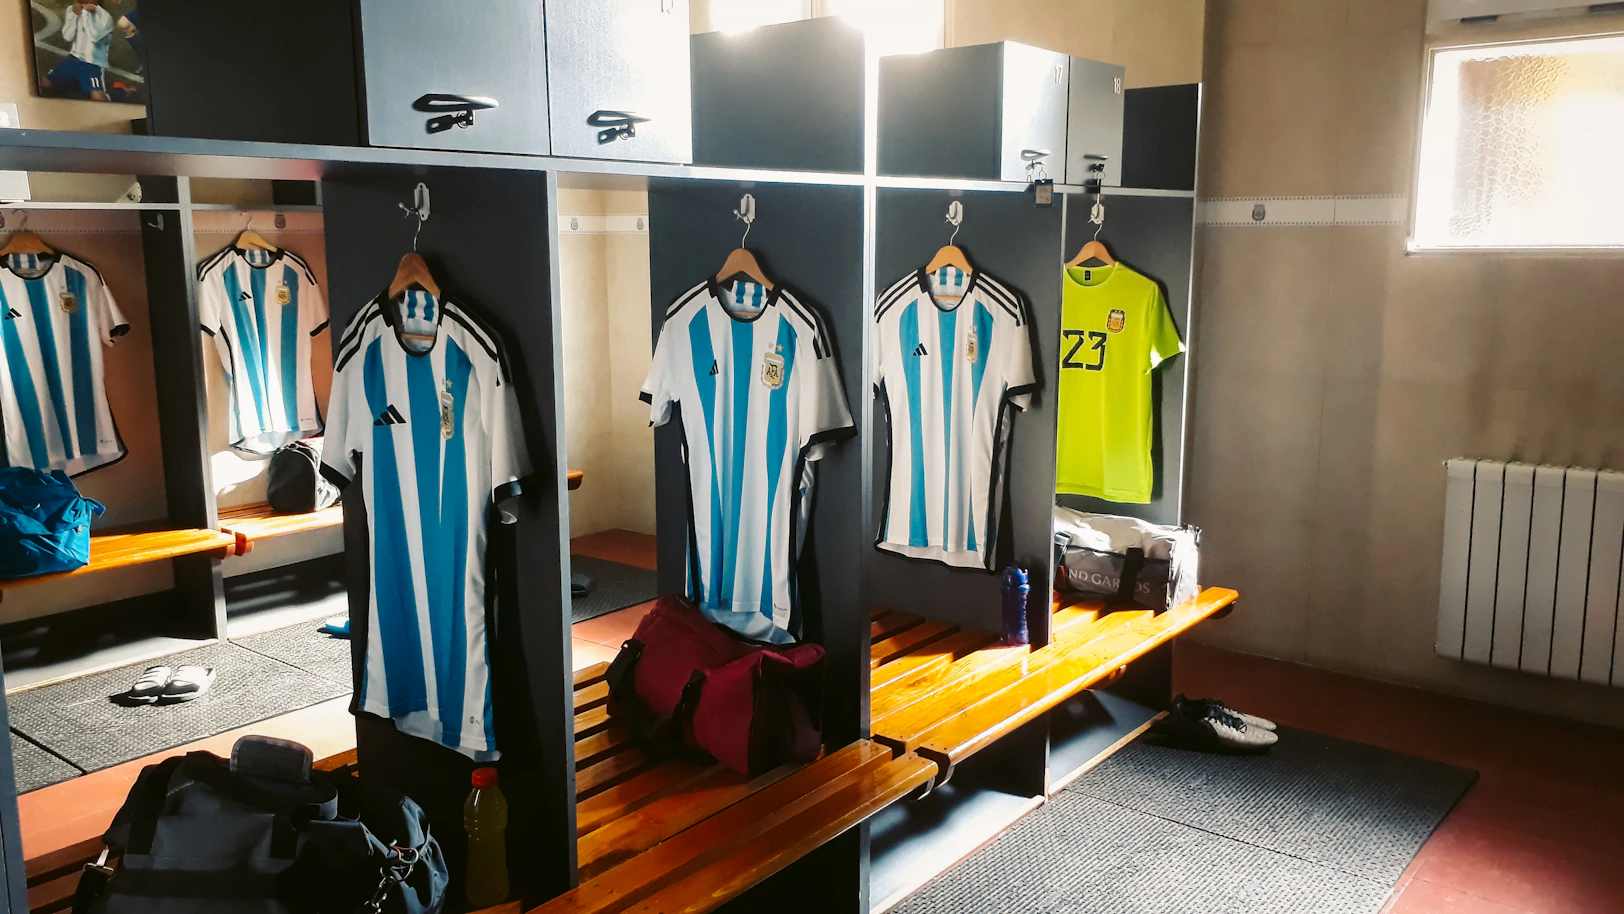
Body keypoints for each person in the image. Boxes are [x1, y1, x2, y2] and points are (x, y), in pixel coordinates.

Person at [39, 0, 115, 101]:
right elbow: (67, 37)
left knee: (97, 98)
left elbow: (94, 37)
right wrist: (74, 15)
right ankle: (79, 83)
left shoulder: (105, 17)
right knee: (44, 85)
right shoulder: (72, 10)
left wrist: (85, 14)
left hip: (92, 65)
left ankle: (120, 91)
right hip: (73, 60)